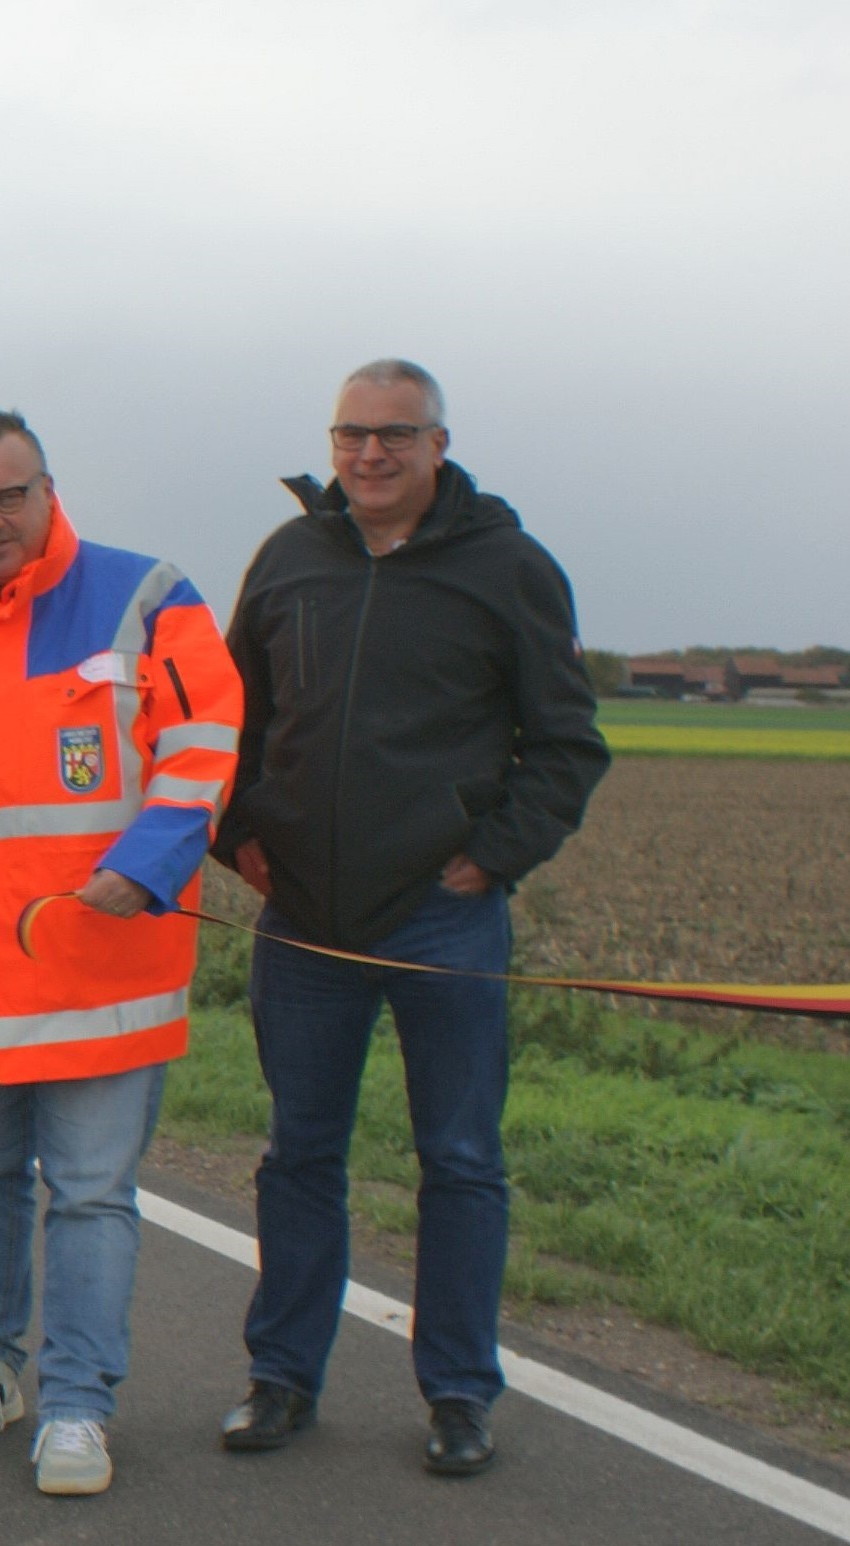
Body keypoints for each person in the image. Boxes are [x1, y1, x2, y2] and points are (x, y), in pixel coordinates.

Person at [209, 360, 608, 1477]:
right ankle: (280, 1376)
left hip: (441, 918)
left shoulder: (508, 568)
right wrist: (233, 829)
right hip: (303, 918)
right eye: (350, 434)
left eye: (394, 435)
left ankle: (456, 1390)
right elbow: (229, 713)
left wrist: (488, 855)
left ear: (438, 444)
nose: (369, 456)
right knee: (297, 1153)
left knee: (460, 1158)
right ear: (330, 443)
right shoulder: (290, 558)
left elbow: (566, 742)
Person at [0, 411, 243, 1496]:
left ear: (45, 491)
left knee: (86, 1191)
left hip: (99, 963)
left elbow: (205, 741)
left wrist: (153, 858)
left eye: (5, 496)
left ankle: (77, 1403)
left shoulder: (145, 596)